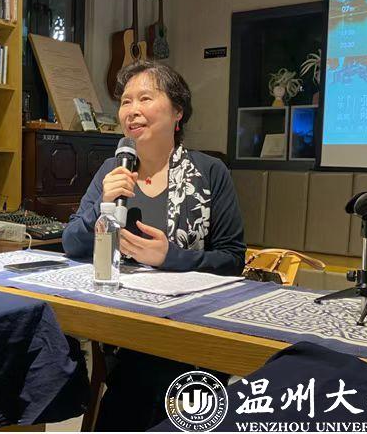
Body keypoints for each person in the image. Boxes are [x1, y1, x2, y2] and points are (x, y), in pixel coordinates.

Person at [62, 60, 246, 431]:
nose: (132, 110)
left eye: (145, 98)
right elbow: (72, 245)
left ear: (178, 112)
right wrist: (101, 206)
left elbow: (232, 260)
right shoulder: (113, 170)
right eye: (125, 101)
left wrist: (170, 257)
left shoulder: (210, 172)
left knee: (155, 388)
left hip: (190, 336)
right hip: (124, 332)